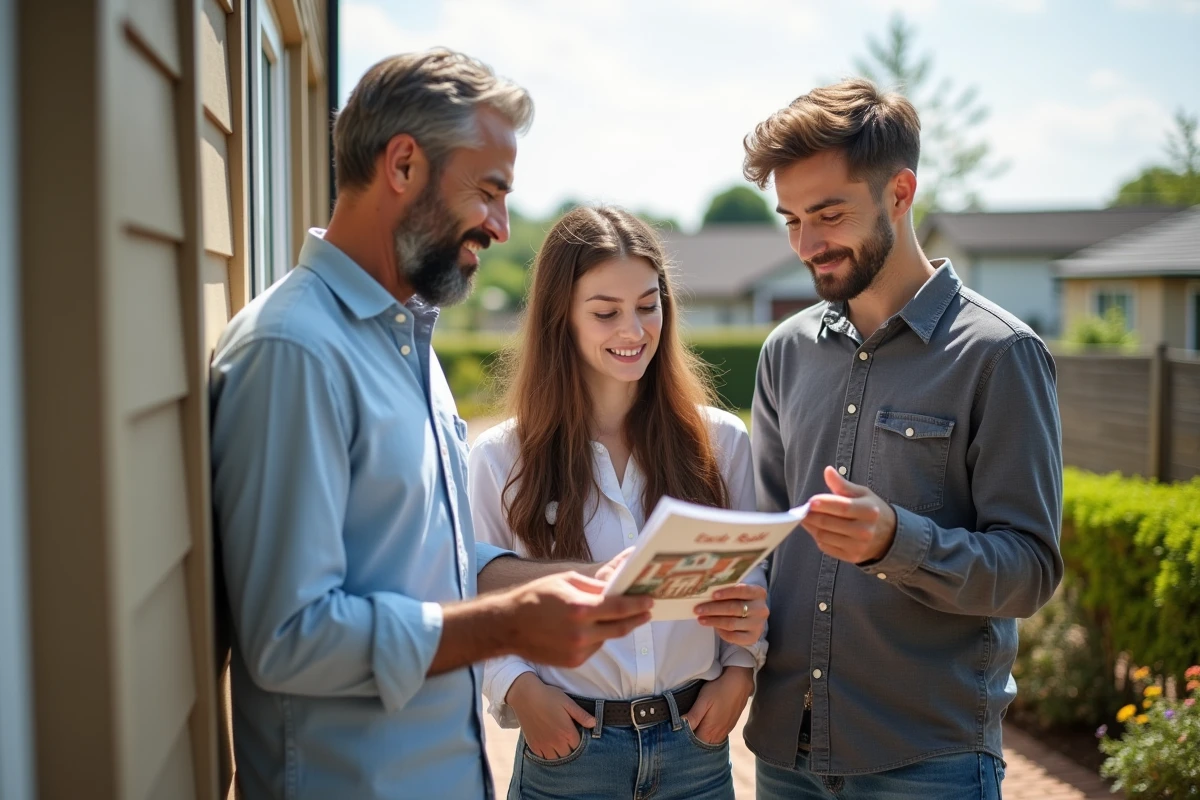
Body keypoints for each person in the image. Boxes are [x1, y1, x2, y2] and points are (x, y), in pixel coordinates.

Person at [209, 51, 653, 800]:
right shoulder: (295, 351)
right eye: (489, 192)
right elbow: (287, 638)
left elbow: (415, 556)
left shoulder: (406, 340)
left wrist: (559, 582)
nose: (503, 228)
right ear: (404, 164)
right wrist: (506, 626)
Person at [739, 79, 1064, 799]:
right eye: (791, 219)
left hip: (927, 763)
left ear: (900, 192)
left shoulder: (1000, 356)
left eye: (827, 214)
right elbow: (760, 540)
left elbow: (1031, 570)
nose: (806, 244)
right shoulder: (784, 353)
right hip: (784, 752)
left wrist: (895, 541)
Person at [468, 206, 770, 800]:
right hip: (569, 754)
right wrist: (520, 691)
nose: (634, 331)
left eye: (648, 305)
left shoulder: (722, 444)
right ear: (561, 318)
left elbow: (751, 581)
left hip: (696, 751)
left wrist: (740, 669)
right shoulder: (500, 459)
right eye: (606, 312)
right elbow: (472, 593)